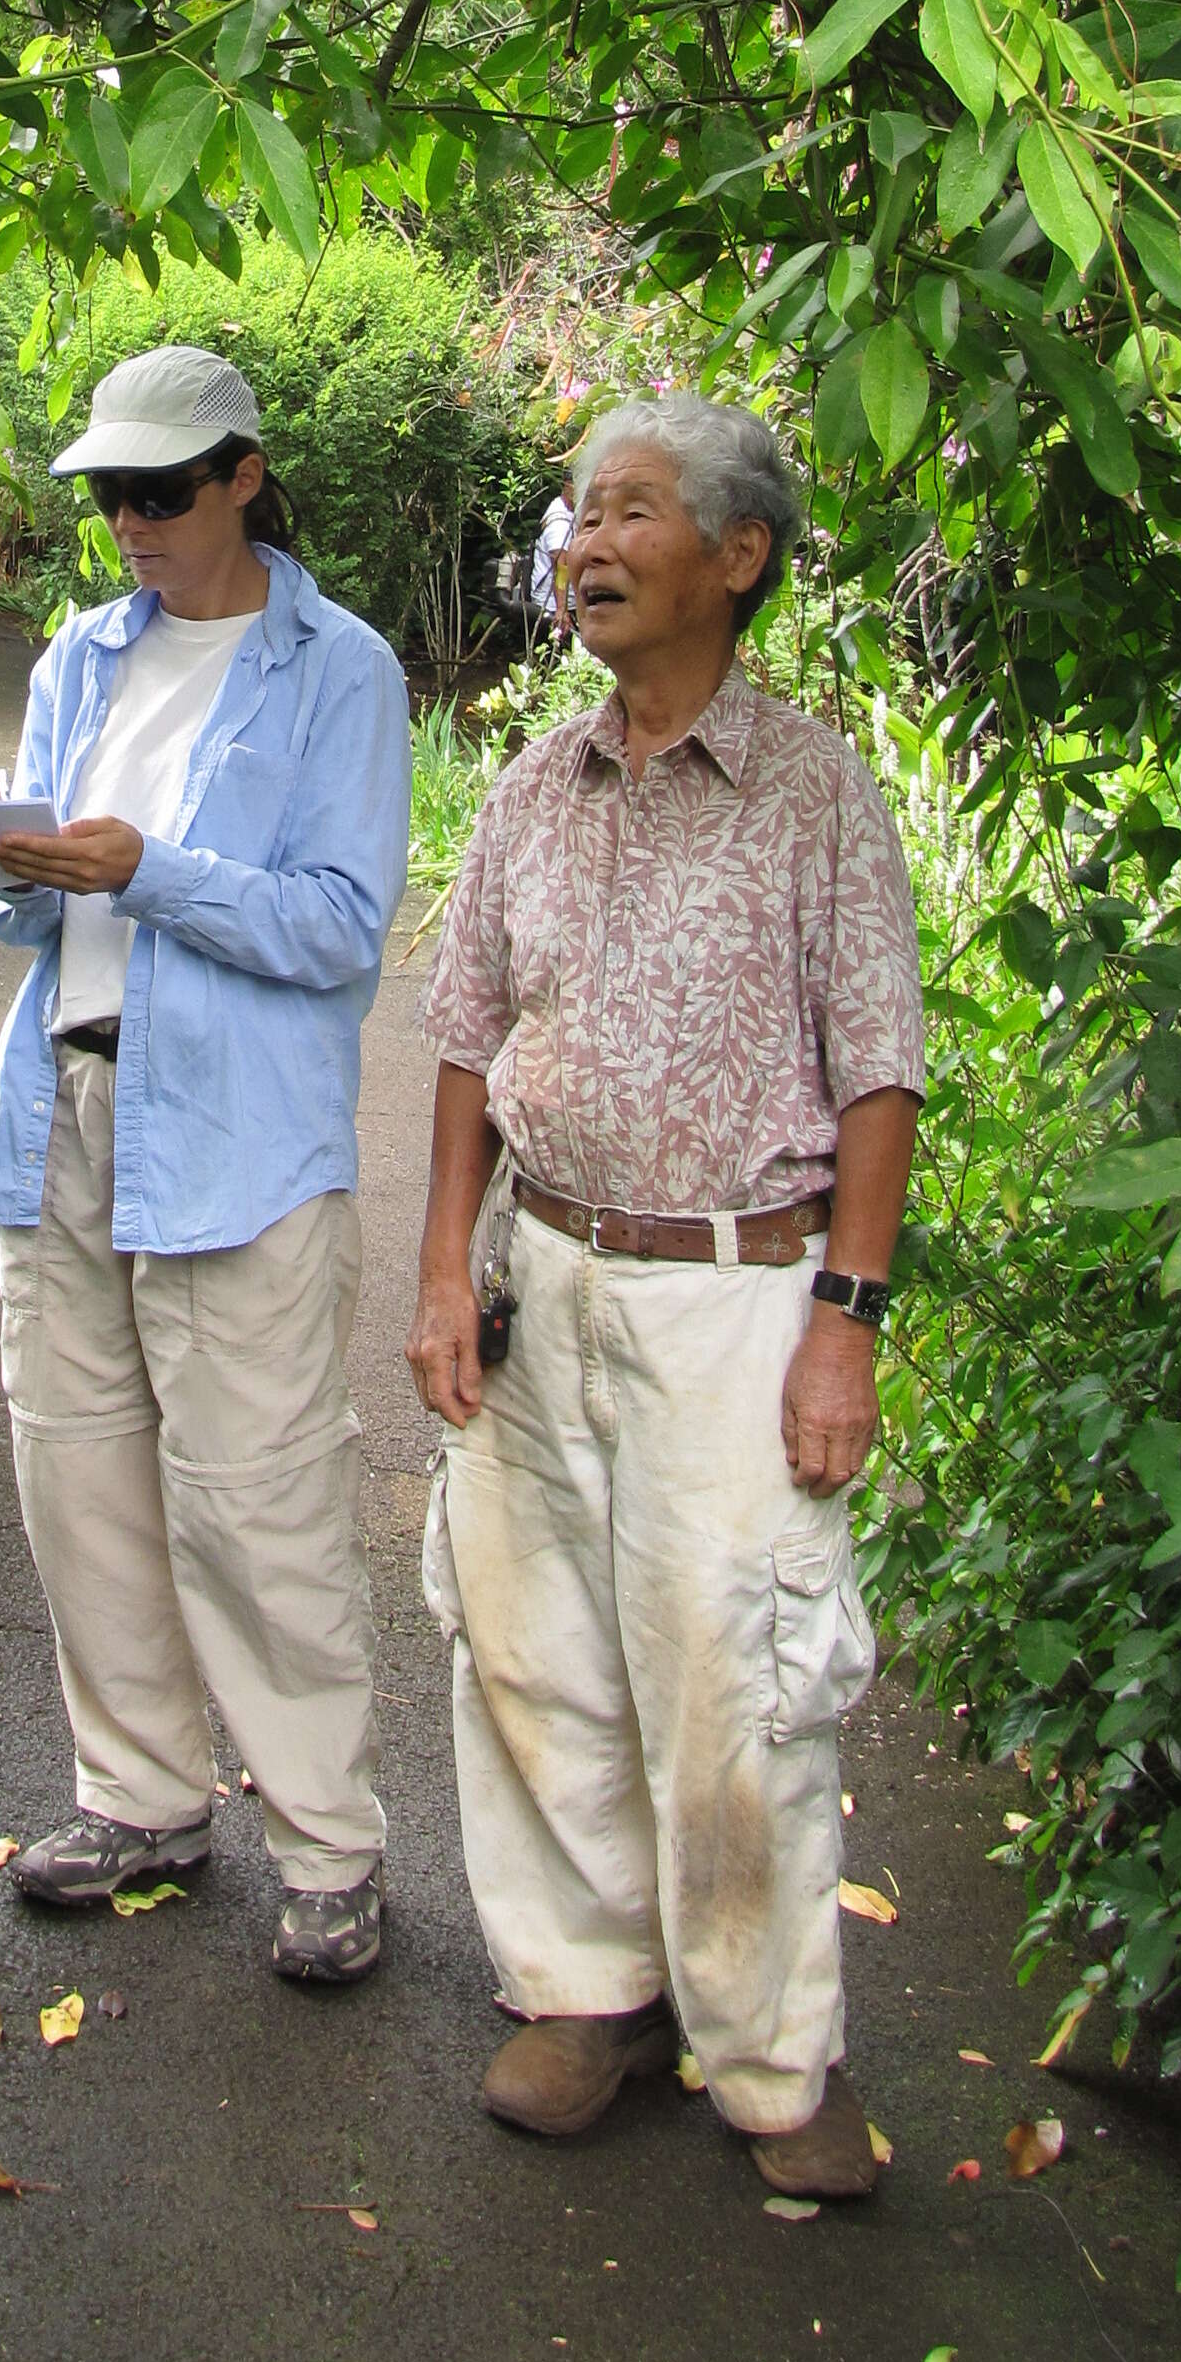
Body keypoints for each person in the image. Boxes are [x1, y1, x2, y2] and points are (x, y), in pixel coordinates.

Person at [406, 395, 924, 2196]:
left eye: (627, 512)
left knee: (740, 1679)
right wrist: (436, 1280)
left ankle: (777, 2060)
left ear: (738, 554)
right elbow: (465, 1038)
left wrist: (845, 1320)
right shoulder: (534, 786)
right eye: (574, 513)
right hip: (541, 1276)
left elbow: (878, 1073)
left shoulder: (813, 788)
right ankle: (583, 1989)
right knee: (532, 1647)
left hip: (736, 1294)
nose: (584, 544)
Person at [0, 342, 412, 1984]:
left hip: (231, 1138)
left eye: (161, 492)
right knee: (76, 1474)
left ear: (241, 474)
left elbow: (336, 926)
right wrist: (17, 871)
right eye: (109, 498)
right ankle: (140, 1794)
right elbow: (19, 917)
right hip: (64, 1111)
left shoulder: (337, 669)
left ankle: (329, 1842)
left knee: (259, 1499)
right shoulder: (82, 654)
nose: (134, 526)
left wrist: (151, 869)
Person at [527, 484, 573, 635]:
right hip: (553, 604)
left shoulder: (566, 508)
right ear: (569, 486)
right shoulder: (560, 524)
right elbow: (561, 567)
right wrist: (562, 609)